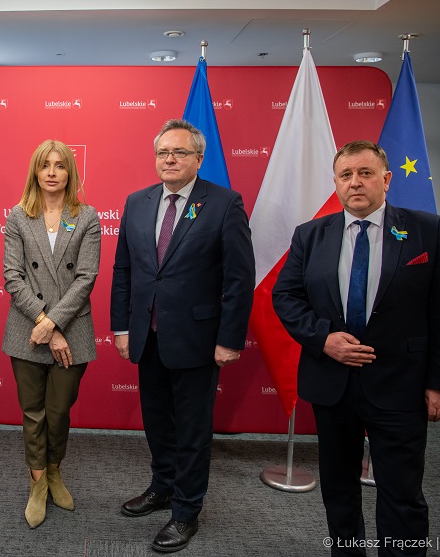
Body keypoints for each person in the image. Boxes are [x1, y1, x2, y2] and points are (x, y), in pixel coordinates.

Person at [272, 140, 440, 556]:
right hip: (332, 384)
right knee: (339, 489)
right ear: (336, 183)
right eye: (346, 175)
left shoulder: (427, 229)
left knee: (401, 493)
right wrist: (323, 338)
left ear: (386, 179)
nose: (355, 183)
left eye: (365, 173)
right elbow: (286, 297)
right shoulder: (311, 235)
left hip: (401, 385)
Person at [110, 119, 255, 553]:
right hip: (147, 337)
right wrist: (121, 326)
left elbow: (239, 278)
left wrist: (230, 339)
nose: (169, 159)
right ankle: (162, 488)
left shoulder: (224, 203)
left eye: (178, 152)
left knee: (191, 430)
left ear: (198, 158)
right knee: (157, 423)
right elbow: (124, 271)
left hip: (198, 339)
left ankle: (187, 510)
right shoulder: (137, 202)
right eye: (162, 153)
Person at [2, 140, 101, 528]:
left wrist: (54, 324)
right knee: (33, 414)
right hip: (25, 331)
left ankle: (55, 470)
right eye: (46, 165)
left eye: (61, 165)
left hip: (71, 329)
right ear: (36, 171)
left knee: (58, 413)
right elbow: (13, 275)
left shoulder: (88, 216)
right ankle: (38, 483)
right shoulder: (17, 216)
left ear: (70, 172)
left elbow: (86, 276)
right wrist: (42, 322)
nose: (53, 172)